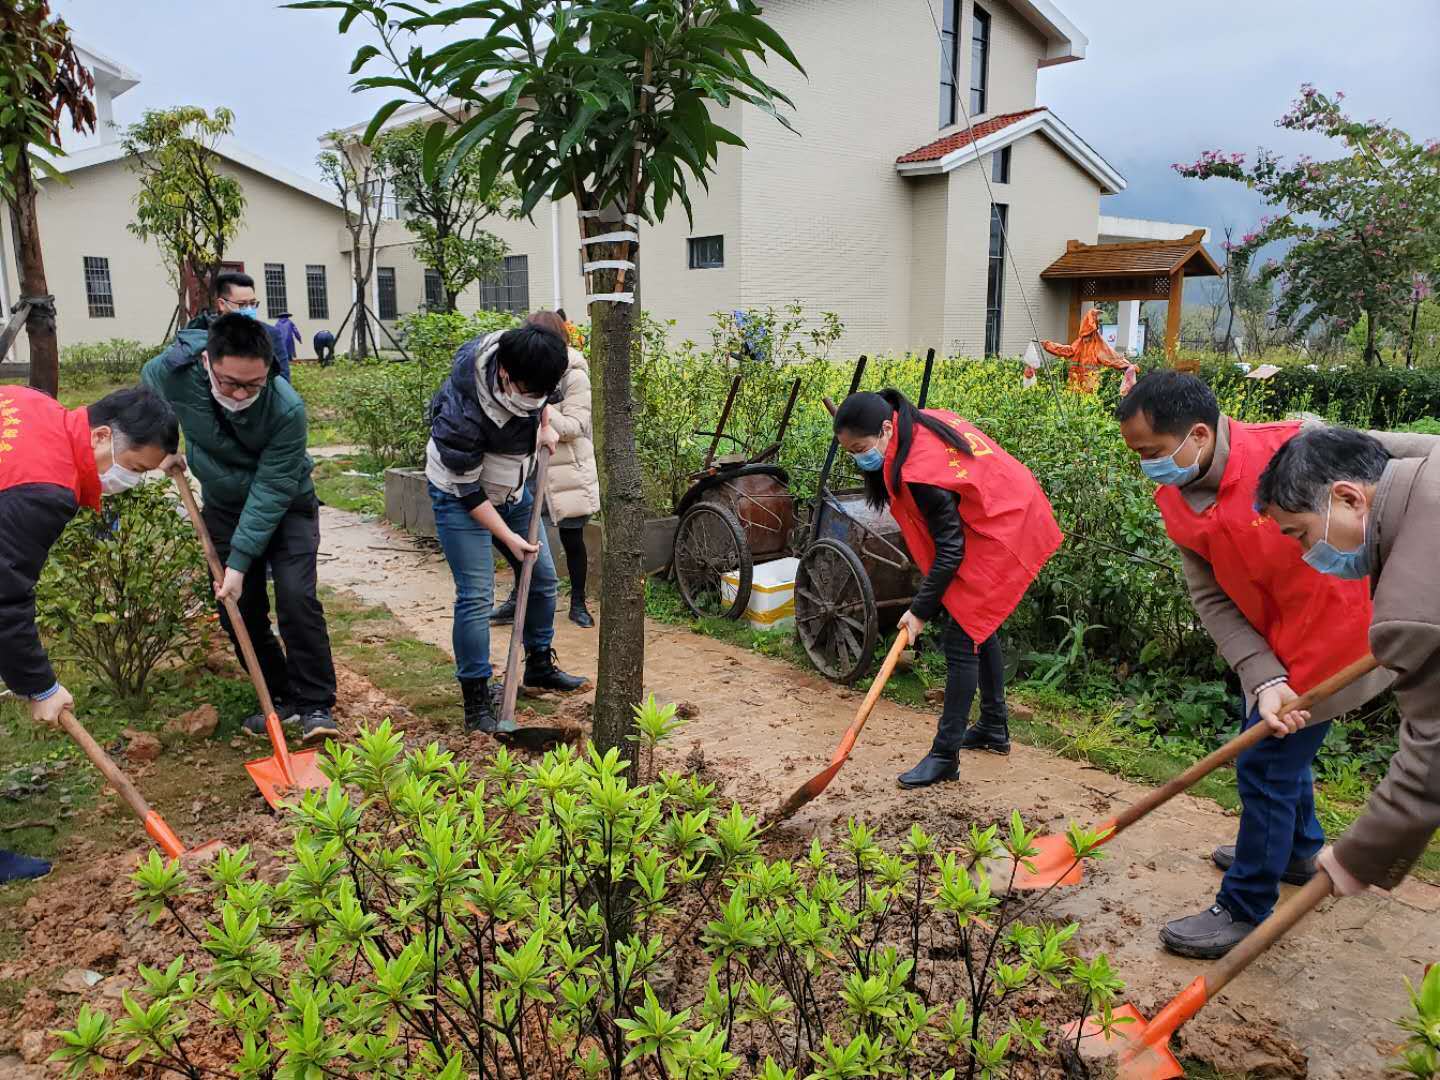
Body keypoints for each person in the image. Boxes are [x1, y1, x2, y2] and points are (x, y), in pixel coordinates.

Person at [1116, 371, 1437, 958]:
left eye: (1153, 453)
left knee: (1265, 761)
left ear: (1197, 435)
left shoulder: (1296, 444)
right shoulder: (1176, 497)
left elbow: (1403, 457)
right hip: (1277, 648)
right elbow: (1210, 595)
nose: (1149, 468)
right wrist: (1261, 673)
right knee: (1281, 757)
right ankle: (1295, 850)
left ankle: (1244, 906)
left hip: (1344, 638)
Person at [832, 389, 1062, 787]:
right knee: (976, 624)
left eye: (861, 447)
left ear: (887, 429)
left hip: (1004, 524)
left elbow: (951, 550)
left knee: (961, 635)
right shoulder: (909, 425)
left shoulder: (921, 473)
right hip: (993, 512)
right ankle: (993, 726)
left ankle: (944, 755)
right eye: (850, 450)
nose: (859, 458)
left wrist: (920, 610)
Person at [0, 385, 179, 883]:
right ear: (101, 436)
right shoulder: (46, 488)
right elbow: (5, 598)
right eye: (136, 468)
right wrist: (39, 686)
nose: (132, 482)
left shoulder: (31, 405)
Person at [1255, 427, 1440, 899]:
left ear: (1349, 498)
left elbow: (1431, 761)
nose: (1304, 553)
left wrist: (1357, 859)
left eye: (1301, 534)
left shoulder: (1410, 611)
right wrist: (1324, 436)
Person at [142, 314, 339, 744]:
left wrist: (240, 562)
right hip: (225, 508)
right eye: (230, 381)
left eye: (253, 384)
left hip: (287, 507)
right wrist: (166, 444)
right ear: (207, 361)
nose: (240, 393)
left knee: (296, 597)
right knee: (238, 610)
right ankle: (279, 695)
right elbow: (149, 386)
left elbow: (271, 489)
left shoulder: (286, 408)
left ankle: (315, 703)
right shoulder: (176, 374)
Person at [427, 323, 589, 733]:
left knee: (543, 580)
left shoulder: (533, 362)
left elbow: (542, 401)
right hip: (463, 497)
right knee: (476, 596)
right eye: (529, 393)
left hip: (513, 489)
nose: (537, 399)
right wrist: (508, 537)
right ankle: (477, 699)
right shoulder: (462, 414)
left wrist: (545, 425)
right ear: (504, 375)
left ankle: (537, 665)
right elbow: (466, 491)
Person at [528, 310, 599, 628]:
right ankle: (518, 599)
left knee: (573, 541)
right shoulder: (528, 371)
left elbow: (574, 426)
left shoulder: (574, 375)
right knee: (525, 538)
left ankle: (579, 603)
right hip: (533, 470)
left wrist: (542, 406)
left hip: (568, 471)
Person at [186, 272, 289, 381]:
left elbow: (282, 380)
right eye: (242, 304)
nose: (249, 309)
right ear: (222, 304)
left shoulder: (271, 334)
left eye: (253, 303)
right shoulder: (202, 333)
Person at [274, 312, 302, 377]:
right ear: (287, 316)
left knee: (282, 354)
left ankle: (283, 367)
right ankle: (290, 367)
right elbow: (296, 331)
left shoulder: (277, 324)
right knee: (289, 353)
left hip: (280, 340)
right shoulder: (290, 322)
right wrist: (299, 339)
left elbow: (275, 332)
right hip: (289, 340)